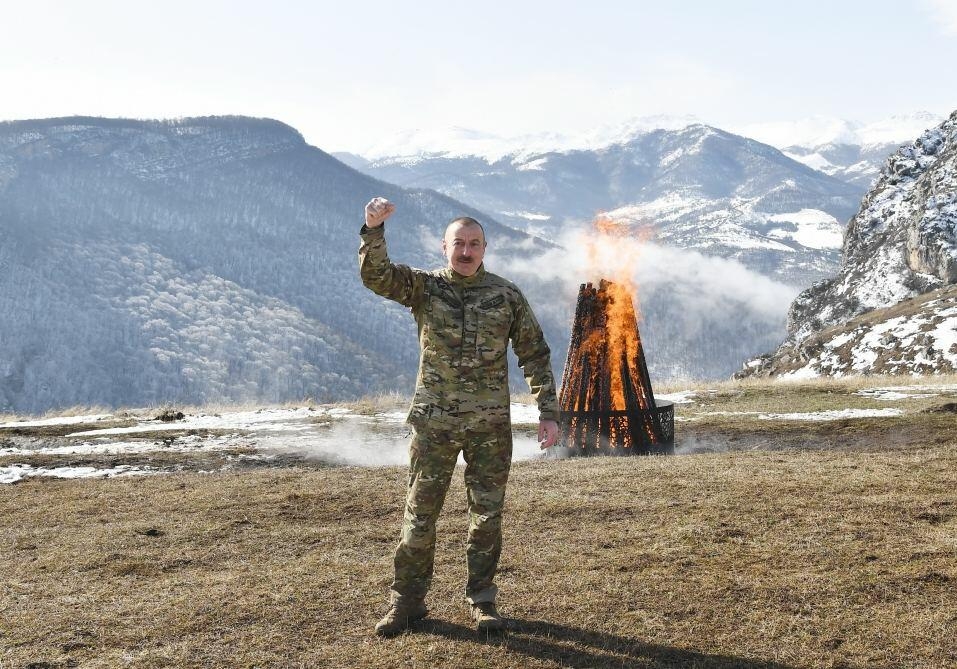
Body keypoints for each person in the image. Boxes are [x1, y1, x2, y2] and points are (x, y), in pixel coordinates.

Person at [359, 196, 560, 636]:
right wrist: (373, 230)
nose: (466, 251)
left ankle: (483, 601)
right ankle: (407, 603)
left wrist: (548, 411)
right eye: (458, 244)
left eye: (474, 244)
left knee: (486, 518)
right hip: (434, 424)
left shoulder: (505, 295)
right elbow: (377, 277)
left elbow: (534, 353)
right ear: (443, 247)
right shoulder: (425, 288)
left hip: (490, 428)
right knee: (419, 515)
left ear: (484, 249)